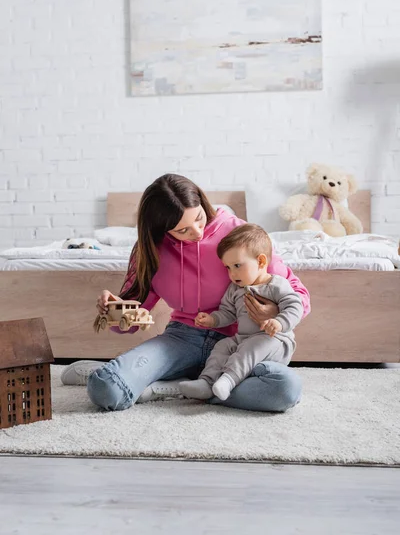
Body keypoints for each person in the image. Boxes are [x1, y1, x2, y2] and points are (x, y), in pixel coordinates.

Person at [61, 173, 310, 412]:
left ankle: (175, 388)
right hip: (183, 340)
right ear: (161, 229)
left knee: (285, 390)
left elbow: (299, 295)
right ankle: (172, 382)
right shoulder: (150, 251)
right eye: (183, 230)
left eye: (199, 218)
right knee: (106, 388)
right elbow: (131, 321)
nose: (197, 232)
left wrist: (274, 312)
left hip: (240, 343)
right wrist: (113, 311)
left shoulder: (241, 235)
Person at [179, 224, 303, 401]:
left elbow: (294, 306)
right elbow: (227, 313)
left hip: (276, 341)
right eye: (228, 267)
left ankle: (228, 380)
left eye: (237, 265)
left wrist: (279, 322)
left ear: (261, 262)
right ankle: (206, 382)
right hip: (244, 339)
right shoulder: (235, 289)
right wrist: (212, 320)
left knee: (252, 346)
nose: (232, 273)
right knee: (222, 346)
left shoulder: (276, 285)